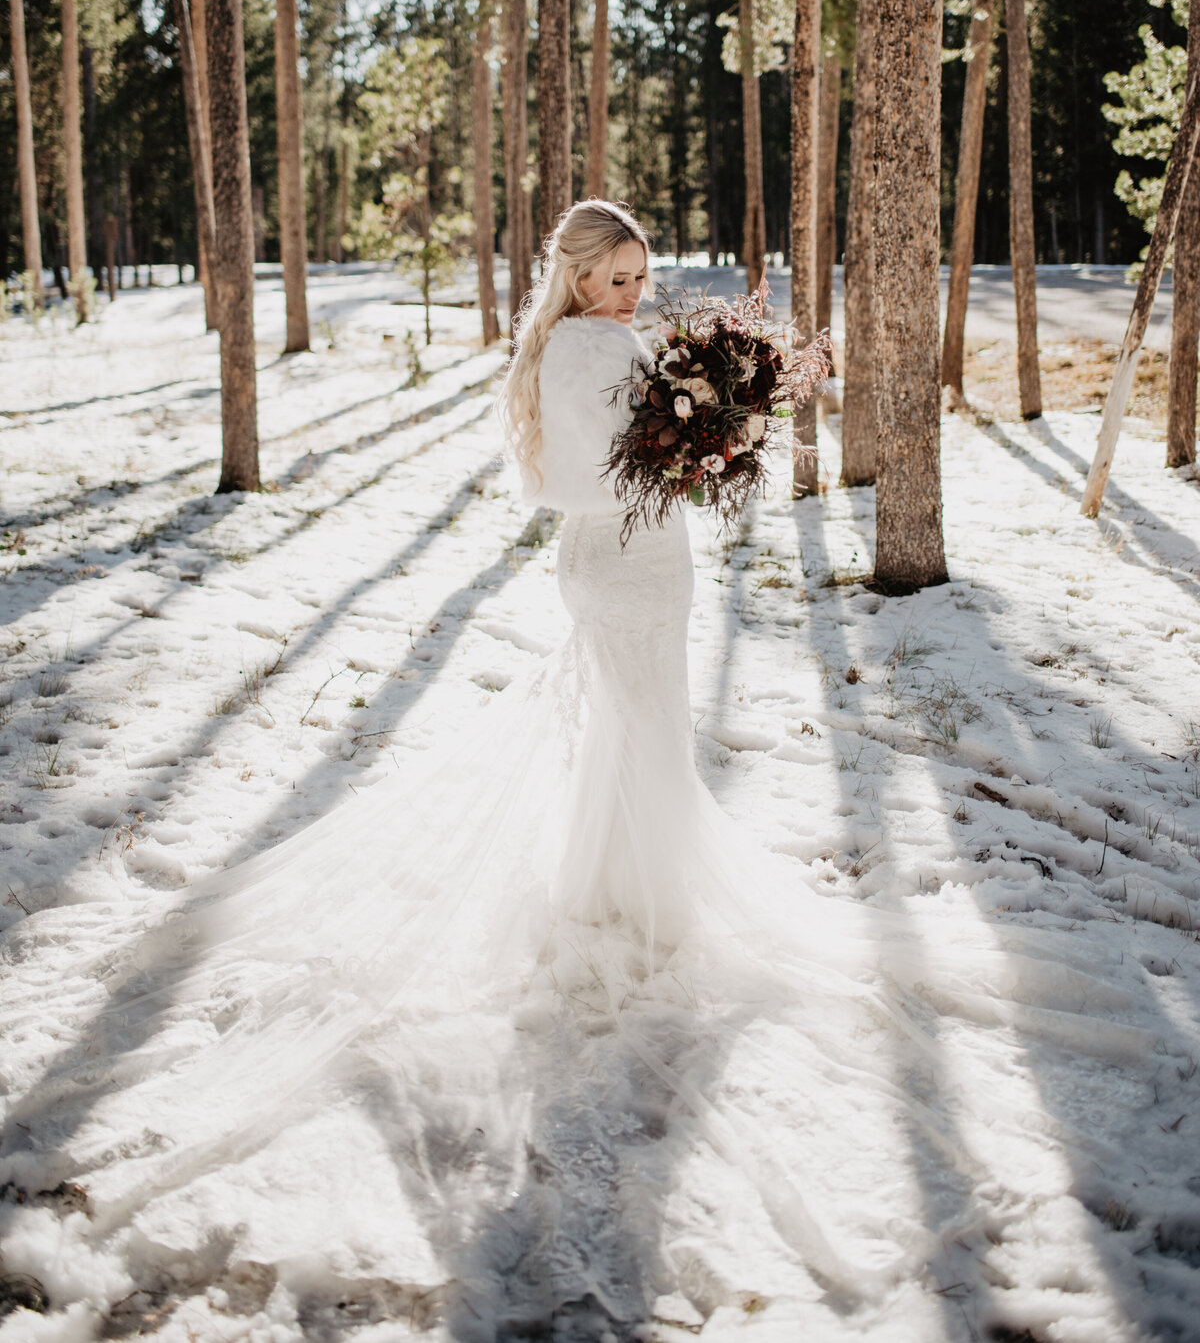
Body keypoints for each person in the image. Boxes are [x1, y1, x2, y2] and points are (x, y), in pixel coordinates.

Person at [0, 201, 1148, 1328]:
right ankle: (640, 897)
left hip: (645, 555)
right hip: (622, 561)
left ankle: (616, 885)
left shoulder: (606, 342)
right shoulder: (577, 347)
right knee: (638, 723)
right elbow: (576, 479)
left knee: (636, 731)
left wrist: (721, 428)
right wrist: (699, 444)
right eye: (615, 277)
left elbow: (644, 442)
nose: (632, 294)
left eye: (641, 277)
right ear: (577, 277)